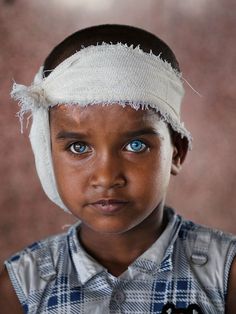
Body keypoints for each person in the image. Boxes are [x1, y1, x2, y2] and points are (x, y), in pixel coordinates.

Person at [0, 24, 235, 314]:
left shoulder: (226, 273)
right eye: (78, 148)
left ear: (177, 152)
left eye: (136, 145)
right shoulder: (20, 287)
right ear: (46, 154)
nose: (107, 177)